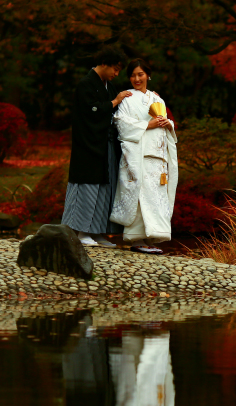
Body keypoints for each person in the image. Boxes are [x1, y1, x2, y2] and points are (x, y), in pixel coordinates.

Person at [62, 46, 132, 248]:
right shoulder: (86, 84)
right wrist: (114, 102)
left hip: (105, 144)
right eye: (115, 69)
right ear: (104, 63)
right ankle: (81, 231)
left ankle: (98, 232)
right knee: (88, 188)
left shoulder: (108, 86)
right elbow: (91, 111)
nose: (116, 74)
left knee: (106, 188)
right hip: (88, 145)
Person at [110, 58, 178, 254]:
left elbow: (166, 125)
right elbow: (121, 124)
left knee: (156, 196)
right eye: (133, 75)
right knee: (139, 195)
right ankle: (136, 239)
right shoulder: (127, 98)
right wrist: (148, 125)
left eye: (140, 74)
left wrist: (168, 124)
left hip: (157, 155)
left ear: (148, 75)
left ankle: (151, 237)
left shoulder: (158, 99)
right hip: (138, 154)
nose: (137, 79)